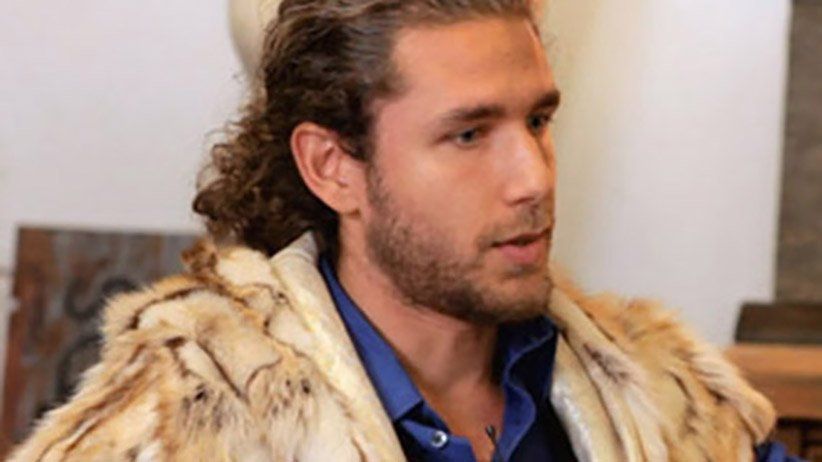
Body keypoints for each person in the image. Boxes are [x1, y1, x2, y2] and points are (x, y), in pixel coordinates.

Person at [8, 1, 800, 461]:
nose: (533, 177)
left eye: (537, 120)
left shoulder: (667, 405)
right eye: (469, 134)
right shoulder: (184, 424)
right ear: (333, 167)